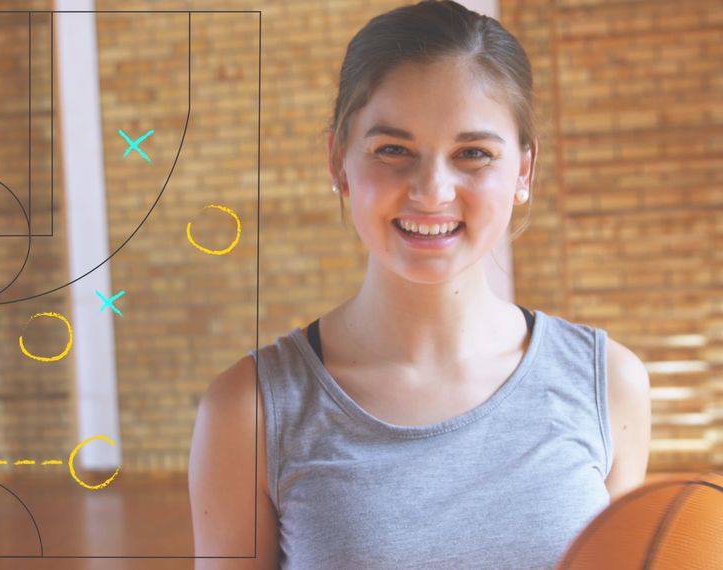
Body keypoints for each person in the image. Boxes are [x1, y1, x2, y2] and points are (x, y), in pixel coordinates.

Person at [188, 1, 652, 568]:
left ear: (524, 171)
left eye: (473, 153)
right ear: (337, 159)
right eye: (393, 150)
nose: (431, 191)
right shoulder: (250, 410)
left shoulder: (608, 385)